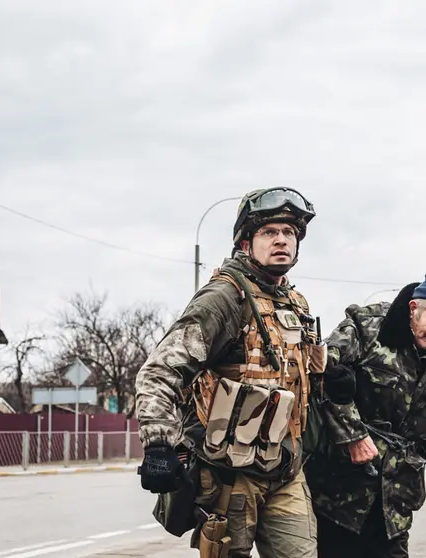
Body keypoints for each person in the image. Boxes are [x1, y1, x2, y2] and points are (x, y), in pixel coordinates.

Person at [135, 188, 324, 558]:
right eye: (270, 232)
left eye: (289, 233)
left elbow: (300, 379)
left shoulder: (295, 302)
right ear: (245, 241)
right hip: (228, 475)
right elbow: (160, 370)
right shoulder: (225, 296)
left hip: (285, 470)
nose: (282, 240)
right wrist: (159, 444)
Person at [305, 272, 426, 558]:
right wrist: (353, 436)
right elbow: (320, 376)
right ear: (413, 309)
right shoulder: (366, 328)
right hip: (340, 491)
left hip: (396, 497)